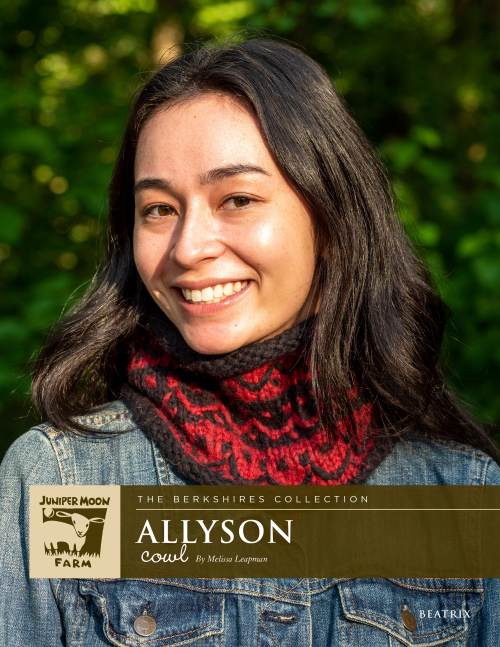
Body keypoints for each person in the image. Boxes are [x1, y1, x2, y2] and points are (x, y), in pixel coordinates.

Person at [0, 37, 498, 646]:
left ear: (332, 220)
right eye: (158, 209)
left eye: (237, 199)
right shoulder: (66, 489)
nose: (188, 247)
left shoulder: (460, 498)